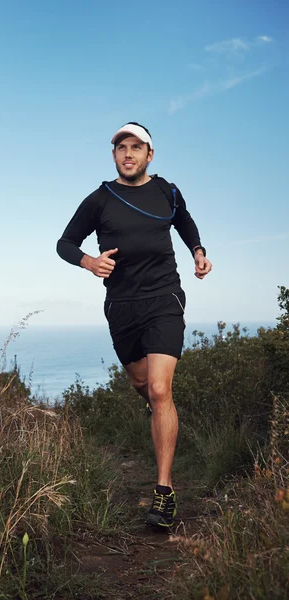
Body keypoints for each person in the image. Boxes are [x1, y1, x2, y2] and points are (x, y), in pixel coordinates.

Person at [56, 122, 212, 527]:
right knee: (144, 387)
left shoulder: (167, 192)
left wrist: (197, 250)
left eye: (136, 147)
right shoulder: (100, 198)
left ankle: (164, 492)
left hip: (164, 298)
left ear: (149, 155)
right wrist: (89, 262)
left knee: (161, 389)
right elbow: (65, 242)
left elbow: (185, 221)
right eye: (121, 148)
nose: (128, 154)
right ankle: (164, 422)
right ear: (114, 156)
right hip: (121, 305)